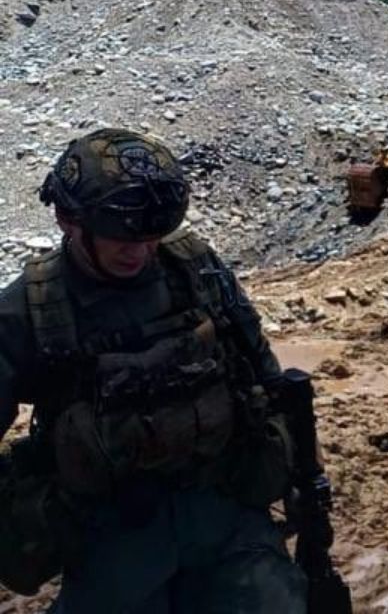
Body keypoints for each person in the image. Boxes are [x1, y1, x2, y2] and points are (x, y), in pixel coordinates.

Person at [0, 128, 307, 611]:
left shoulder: (194, 267)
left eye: (151, 236)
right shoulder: (31, 309)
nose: (139, 252)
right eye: (122, 237)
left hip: (223, 514)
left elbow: (262, 370)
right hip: (112, 535)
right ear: (68, 220)